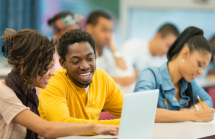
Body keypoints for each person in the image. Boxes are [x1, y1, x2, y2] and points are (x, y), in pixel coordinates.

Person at [0, 29, 119, 139]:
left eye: (52, 66)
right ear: (26, 64)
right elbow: (46, 129)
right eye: (46, 67)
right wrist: (95, 127)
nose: (52, 73)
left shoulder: (28, 94)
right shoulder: (3, 92)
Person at [38, 29, 124, 135]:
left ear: (95, 57)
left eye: (90, 58)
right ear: (63, 63)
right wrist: (103, 127)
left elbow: (131, 113)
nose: (85, 66)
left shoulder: (102, 78)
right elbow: (61, 124)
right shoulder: (53, 82)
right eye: (75, 61)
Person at [134, 26, 215, 122]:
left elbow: (207, 100)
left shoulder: (187, 82)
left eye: (203, 68)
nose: (201, 72)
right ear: (185, 54)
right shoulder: (149, 75)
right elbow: (143, 111)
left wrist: (192, 109)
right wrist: (192, 116)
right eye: (199, 64)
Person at [85, 10, 134, 86]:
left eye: (110, 31)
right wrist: (118, 80)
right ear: (90, 28)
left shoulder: (107, 54)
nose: (108, 36)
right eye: (104, 30)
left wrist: (113, 48)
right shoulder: (81, 53)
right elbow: (86, 80)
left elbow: (126, 74)